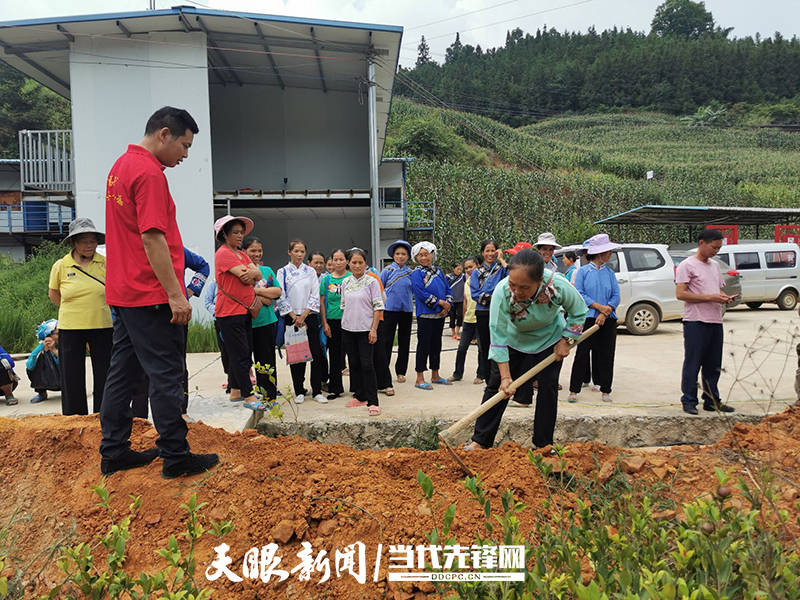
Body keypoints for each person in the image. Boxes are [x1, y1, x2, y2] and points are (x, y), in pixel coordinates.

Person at [101, 106, 218, 478]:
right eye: (184, 145)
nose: (185, 155)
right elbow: (152, 237)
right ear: (164, 134)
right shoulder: (150, 173)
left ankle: (114, 450)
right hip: (150, 294)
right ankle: (175, 455)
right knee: (166, 374)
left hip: (125, 293)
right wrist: (174, 294)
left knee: (122, 373)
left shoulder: (120, 166)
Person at [464, 249, 587, 450]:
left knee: (548, 388)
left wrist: (567, 340)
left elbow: (579, 310)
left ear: (539, 281)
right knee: (497, 387)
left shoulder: (557, 285)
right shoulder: (502, 292)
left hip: (549, 340)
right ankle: (480, 441)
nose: (517, 291)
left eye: (524, 287)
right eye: (513, 284)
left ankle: (543, 444)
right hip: (514, 340)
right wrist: (505, 377)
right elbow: (498, 336)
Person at [47, 217, 113, 416]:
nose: (88, 245)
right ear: (74, 242)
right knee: (72, 374)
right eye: (84, 241)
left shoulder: (105, 263)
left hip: (102, 325)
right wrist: (75, 310)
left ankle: (104, 415)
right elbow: (54, 294)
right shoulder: (61, 265)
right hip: (71, 327)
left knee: (105, 372)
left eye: (92, 241)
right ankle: (74, 417)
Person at [676, 228, 737, 415]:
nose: (716, 251)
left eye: (718, 248)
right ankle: (689, 400)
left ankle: (711, 400)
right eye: (713, 247)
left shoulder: (714, 266)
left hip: (715, 320)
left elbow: (716, 291)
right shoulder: (687, 265)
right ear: (702, 243)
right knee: (693, 363)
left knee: (713, 364)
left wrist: (724, 298)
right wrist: (711, 297)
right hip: (696, 321)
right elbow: (681, 294)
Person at [568, 234, 621, 403]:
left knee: (606, 354)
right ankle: (574, 390)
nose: (610, 253)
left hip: (608, 319)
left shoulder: (610, 273)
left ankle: (606, 389)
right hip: (588, 318)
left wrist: (606, 312)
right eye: (608, 251)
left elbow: (616, 295)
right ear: (600, 253)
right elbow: (580, 294)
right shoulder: (583, 272)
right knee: (582, 353)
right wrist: (598, 308)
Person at [277, 239, 326, 404]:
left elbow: (315, 294)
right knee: (297, 356)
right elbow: (281, 296)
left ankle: (317, 391)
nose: (299, 254)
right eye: (296, 251)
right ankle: (299, 390)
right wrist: (294, 317)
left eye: (302, 252)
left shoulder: (310, 271)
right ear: (289, 252)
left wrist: (304, 315)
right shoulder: (282, 272)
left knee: (316, 354)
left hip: (309, 317)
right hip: (291, 319)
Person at [340, 248, 385, 415]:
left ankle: (373, 401)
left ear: (365, 263)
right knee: (354, 364)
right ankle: (360, 396)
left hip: (366, 329)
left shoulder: (372, 282)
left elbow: (378, 307)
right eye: (354, 262)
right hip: (348, 329)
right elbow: (344, 306)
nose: (357, 266)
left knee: (367, 364)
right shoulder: (345, 282)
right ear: (348, 263)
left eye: (360, 262)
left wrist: (374, 329)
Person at [242, 235, 283, 405]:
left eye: (259, 250)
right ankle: (250, 393)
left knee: (266, 360)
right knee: (245, 359)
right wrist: (266, 296)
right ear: (244, 251)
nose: (257, 254)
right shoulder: (241, 271)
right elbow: (243, 295)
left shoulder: (267, 271)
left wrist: (257, 292)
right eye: (253, 250)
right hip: (246, 322)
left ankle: (269, 396)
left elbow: (278, 292)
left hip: (266, 322)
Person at [411, 241, 453, 390]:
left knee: (436, 345)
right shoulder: (416, 273)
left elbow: (448, 289)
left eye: (426, 254)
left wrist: (448, 305)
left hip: (439, 315)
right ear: (416, 257)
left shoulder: (439, 271)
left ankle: (435, 375)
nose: (424, 258)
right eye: (420, 255)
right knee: (423, 345)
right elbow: (420, 293)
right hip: (426, 315)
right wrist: (440, 304)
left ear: (432, 255)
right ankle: (419, 378)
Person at [470, 239, 508, 389]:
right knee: (485, 346)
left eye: (493, 250)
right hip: (483, 312)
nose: (490, 253)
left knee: (500, 344)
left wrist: (502, 260)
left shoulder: (502, 270)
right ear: (482, 253)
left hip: (500, 313)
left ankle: (500, 377)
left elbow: (511, 280)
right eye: (487, 250)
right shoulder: (476, 272)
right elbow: (475, 293)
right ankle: (488, 379)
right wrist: (495, 298)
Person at [380, 240, 414, 384]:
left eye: (404, 254)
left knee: (404, 342)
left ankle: (401, 371)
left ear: (408, 256)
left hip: (406, 311)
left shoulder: (411, 273)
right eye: (398, 254)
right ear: (393, 255)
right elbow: (379, 289)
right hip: (389, 311)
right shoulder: (387, 271)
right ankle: (383, 370)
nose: (400, 256)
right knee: (386, 342)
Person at [451, 256, 487, 384]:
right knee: (461, 348)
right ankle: (457, 373)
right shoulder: (467, 282)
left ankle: (481, 375)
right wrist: (463, 318)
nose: (468, 270)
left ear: (478, 266)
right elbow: (465, 301)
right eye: (466, 268)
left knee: (481, 349)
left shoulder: (484, 280)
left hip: (481, 319)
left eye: (470, 267)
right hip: (469, 320)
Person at [320, 249, 349, 400]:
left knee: (354, 354)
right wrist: (325, 323)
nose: (338, 262)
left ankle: (358, 386)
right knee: (335, 355)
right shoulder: (326, 280)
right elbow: (322, 303)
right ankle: (336, 388)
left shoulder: (352, 277)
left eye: (341, 259)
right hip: (332, 321)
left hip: (351, 322)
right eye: (335, 260)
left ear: (347, 261)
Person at [26, 319, 61, 404]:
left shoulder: (62, 346)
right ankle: (42, 393)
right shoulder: (40, 348)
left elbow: (63, 363)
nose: (60, 335)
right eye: (57, 334)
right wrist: (42, 347)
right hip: (46, 379)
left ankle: (69, 392)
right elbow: (30, 366)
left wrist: (53, 350)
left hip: (61, 379)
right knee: (38, 361)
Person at [447, 262, 466, 340]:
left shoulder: (463, 276)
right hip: (452, 300)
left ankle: (457, 332)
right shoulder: (448, 277)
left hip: (461, 299)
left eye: (461, 269)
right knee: (452, 316)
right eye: (458, 269)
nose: (459, 271)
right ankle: (453, 332)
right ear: (453, 269)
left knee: (460, 315)